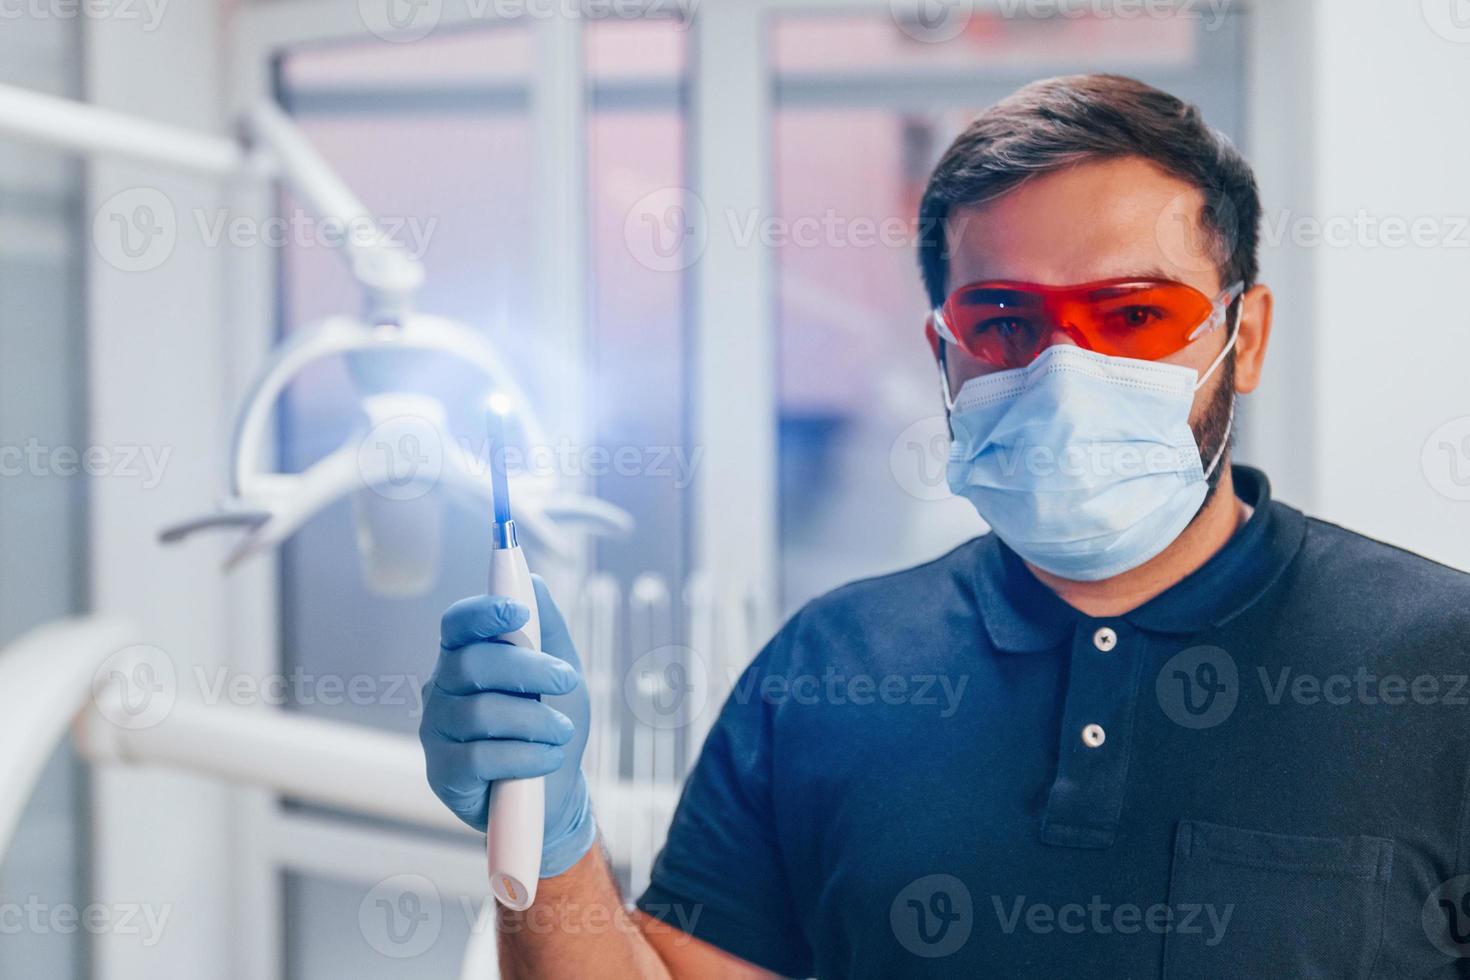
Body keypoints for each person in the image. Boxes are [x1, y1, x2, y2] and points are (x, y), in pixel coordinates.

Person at [419, 74, 1470, 977]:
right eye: (1005, 322)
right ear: (944, 352)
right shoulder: (834, 665)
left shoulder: (1437, 662)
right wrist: (550, 838)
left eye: (1135, 316)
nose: (1066, 375)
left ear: (1244, 338)